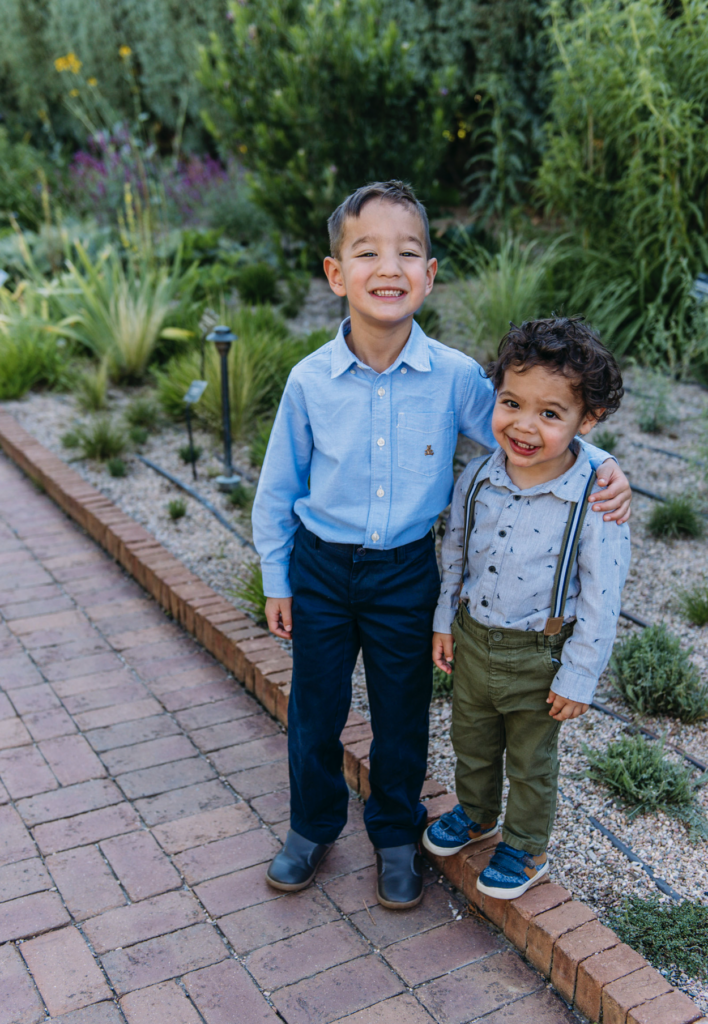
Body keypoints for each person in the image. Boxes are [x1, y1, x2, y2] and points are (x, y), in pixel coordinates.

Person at [252, 181, 631, 910]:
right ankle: (311, 826)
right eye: (367, 251)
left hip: (404, 575)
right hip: (322, 570)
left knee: (400, 712)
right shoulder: (309, 383)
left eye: (409, 251)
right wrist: (277, 575)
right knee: (315, 708)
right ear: (337, 275)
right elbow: (277, 489)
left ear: (430, 275)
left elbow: (537, 428)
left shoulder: (459, 378)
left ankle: (396, 834)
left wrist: (606, 467)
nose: (388, 266)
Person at [422, 317, 630, 899]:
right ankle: (476, 813)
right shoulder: (480, 476)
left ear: (587, 421)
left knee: (532, 762)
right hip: (473, 640)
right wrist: (444, 621)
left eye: (550, 413)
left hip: (540, 656)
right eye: (511, 402)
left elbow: (601, 594)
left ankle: (526, 846)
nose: (524, 426)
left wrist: (580, 674)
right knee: (473, 742)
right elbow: (456, 549)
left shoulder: (595, 498)